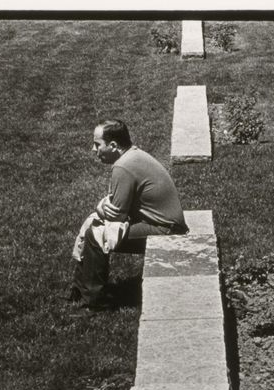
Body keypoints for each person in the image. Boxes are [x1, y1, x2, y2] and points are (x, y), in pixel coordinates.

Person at [68, 119, 189, 309]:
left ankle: (93, 301)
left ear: (113, 145)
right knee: (92, 225)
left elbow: (116, 216)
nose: (93, 150)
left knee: (95, 234)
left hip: (166, 230)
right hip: (162, 222)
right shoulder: (133, 155)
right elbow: (118, 206)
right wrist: (103, 207)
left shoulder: (123, 166)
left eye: (97, 144)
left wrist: (100, 207)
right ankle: (78, 290)